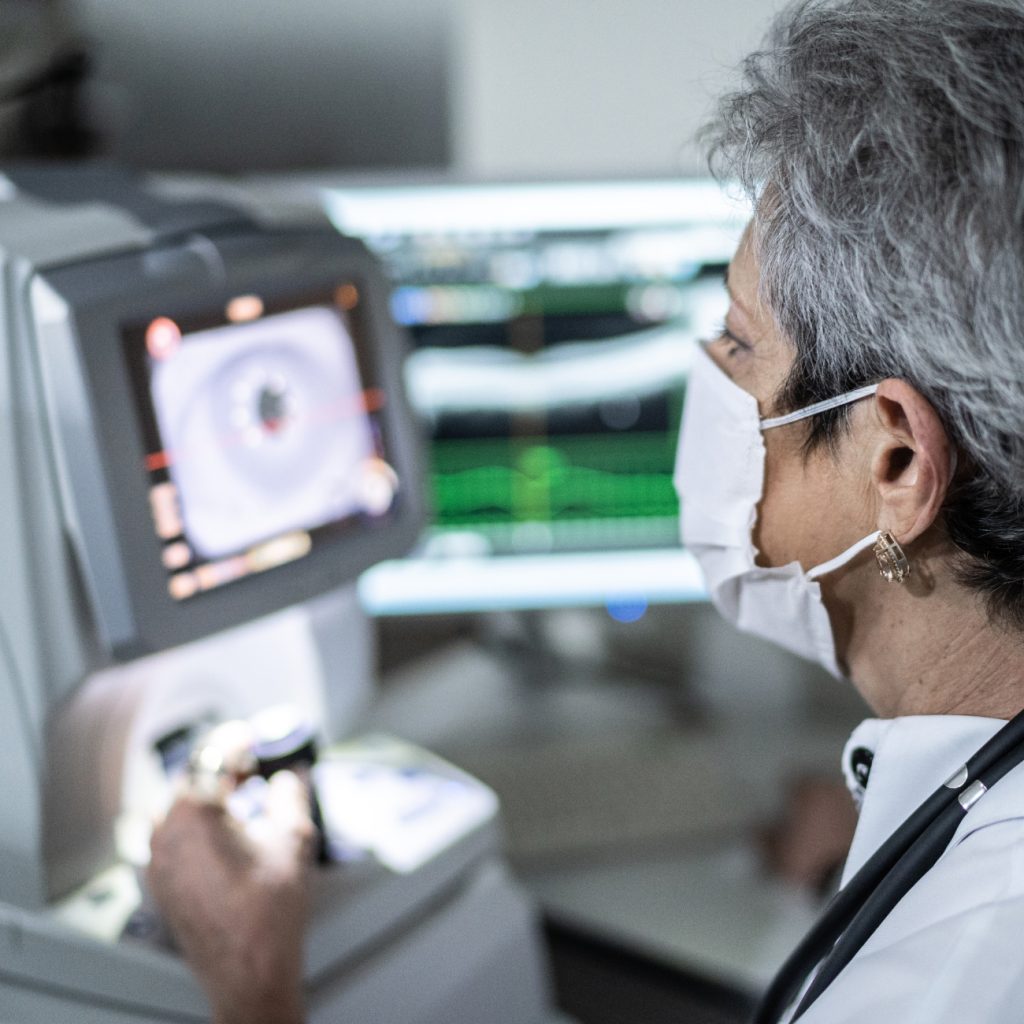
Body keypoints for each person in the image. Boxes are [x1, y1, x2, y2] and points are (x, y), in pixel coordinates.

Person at [149, 0, 1024, 1020]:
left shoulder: (944, 983)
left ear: (897, 459)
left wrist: (253, 981)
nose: (706, 374)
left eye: (738, 344)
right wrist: (901, 817)